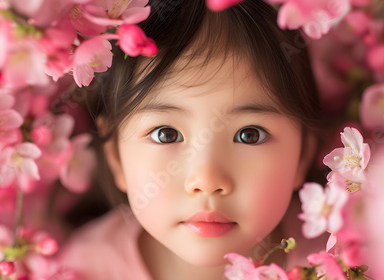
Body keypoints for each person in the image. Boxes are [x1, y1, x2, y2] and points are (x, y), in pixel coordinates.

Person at [59, 0, 326, 279]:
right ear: (115, 154)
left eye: (249, 135)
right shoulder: (84, 269)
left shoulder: (337, 262)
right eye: (167, 135)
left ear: (302, 155)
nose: (207, 181)